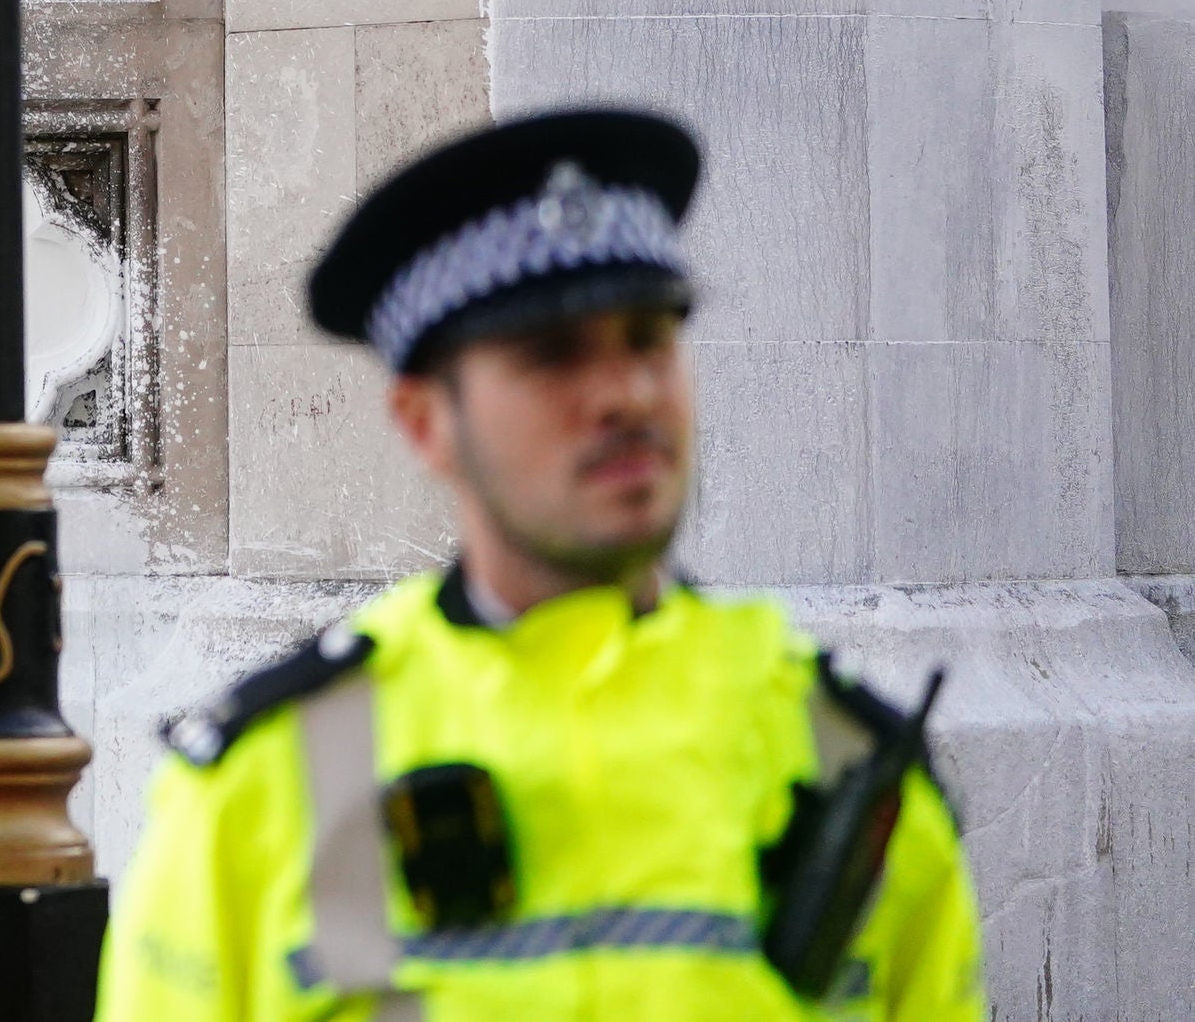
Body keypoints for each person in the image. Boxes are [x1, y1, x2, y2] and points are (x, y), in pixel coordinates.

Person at [98, 108, 983, 1019]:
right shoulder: (258, 788)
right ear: (423, 419)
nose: (626, 392)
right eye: (552, 352)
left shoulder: (853, 768)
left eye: (649, 337)